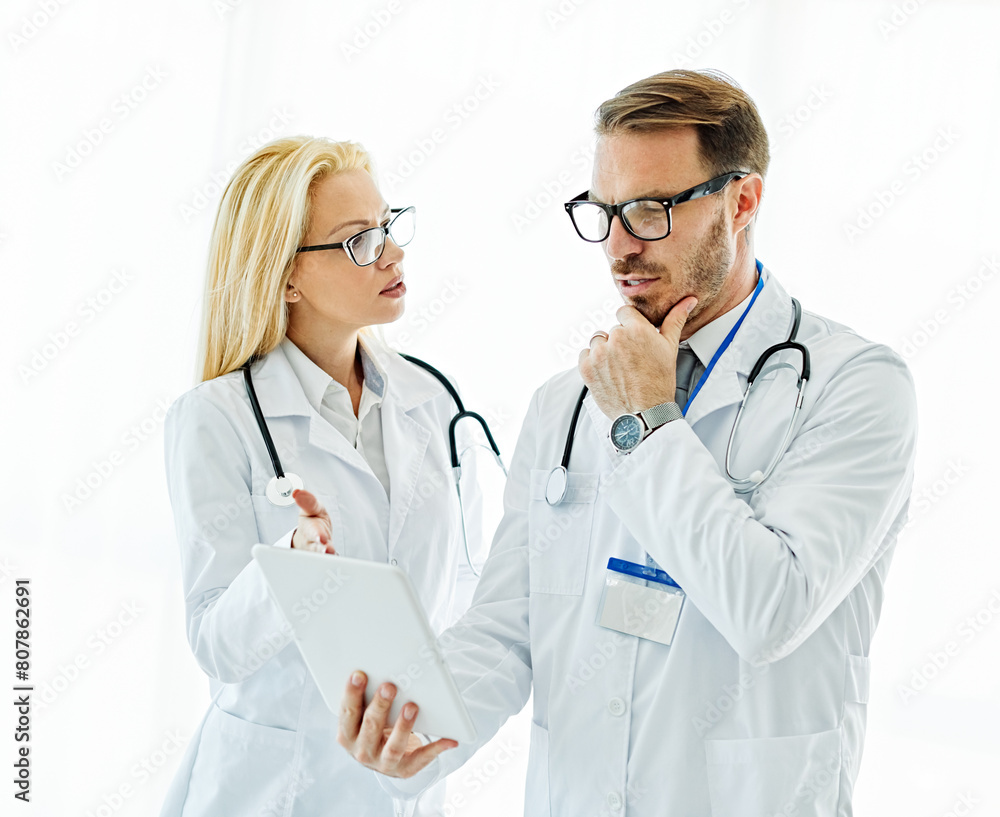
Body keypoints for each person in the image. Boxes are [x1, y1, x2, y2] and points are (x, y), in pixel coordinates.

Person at [336, 69, 919, 817]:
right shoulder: (566, 404)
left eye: (649, 210)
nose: (618, 246)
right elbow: (507, 629)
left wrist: (647, 419)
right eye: (604, 211)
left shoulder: (855, 386)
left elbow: (769, 609)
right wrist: (413, 724)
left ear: (742, 201)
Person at [158, 135, 483, 816]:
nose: (392, 253)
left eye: (388, 226)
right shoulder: (216, 418)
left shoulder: (435, 401)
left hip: (406, 784)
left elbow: (462, 594)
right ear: (286, 277)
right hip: (271, 791)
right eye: (359, 240)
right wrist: (291, 564)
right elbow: (215, 645)